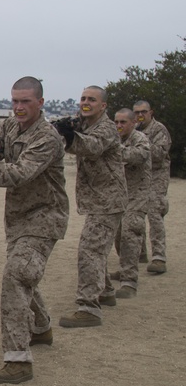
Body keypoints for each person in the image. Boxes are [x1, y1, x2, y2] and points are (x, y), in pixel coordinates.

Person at [0, 76, 69, 384]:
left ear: (40, 102)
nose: (19, 107)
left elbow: (21, 172)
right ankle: (41, 327)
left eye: (25, 101)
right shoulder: (9, 126)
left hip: (45, 217)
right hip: (18, 218)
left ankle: (18, 360)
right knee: (25, 273)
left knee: (16, 275)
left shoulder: (47, 137)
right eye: (15, 101)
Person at [58, 86, 127, 328]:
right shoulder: (84, 124)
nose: (86, 103)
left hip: (108, 200)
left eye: (92, 100)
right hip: (98, 199)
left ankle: (89, 308)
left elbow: (90, 147)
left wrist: (69, 136)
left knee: (89, 250)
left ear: (103, 106)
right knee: (97, 248)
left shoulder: (106, 128)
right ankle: (106, 292)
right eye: (83, 98)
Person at [112, 108, 152, 299]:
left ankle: (129, 281)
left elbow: (138, 156)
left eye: (123, 122)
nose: (119, 126)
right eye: (117, 122)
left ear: (133, 123)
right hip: (120, 194)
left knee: (130, 232)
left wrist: (114, 150)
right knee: (118, 235)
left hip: (138, 194)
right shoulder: (116, 139)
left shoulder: (140, 139)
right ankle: (124, 267)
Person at [134, 100, 172, 274]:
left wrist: (141, 146)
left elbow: (159, 154)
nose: (140, 115)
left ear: (151, 112)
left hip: (157, 177)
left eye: (143, 112)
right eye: (137, 112)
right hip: (139, 178)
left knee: (155, 214)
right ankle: (139, 253)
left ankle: (159, 257)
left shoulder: (159, 130)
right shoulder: (133, 130)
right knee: (134, 214)